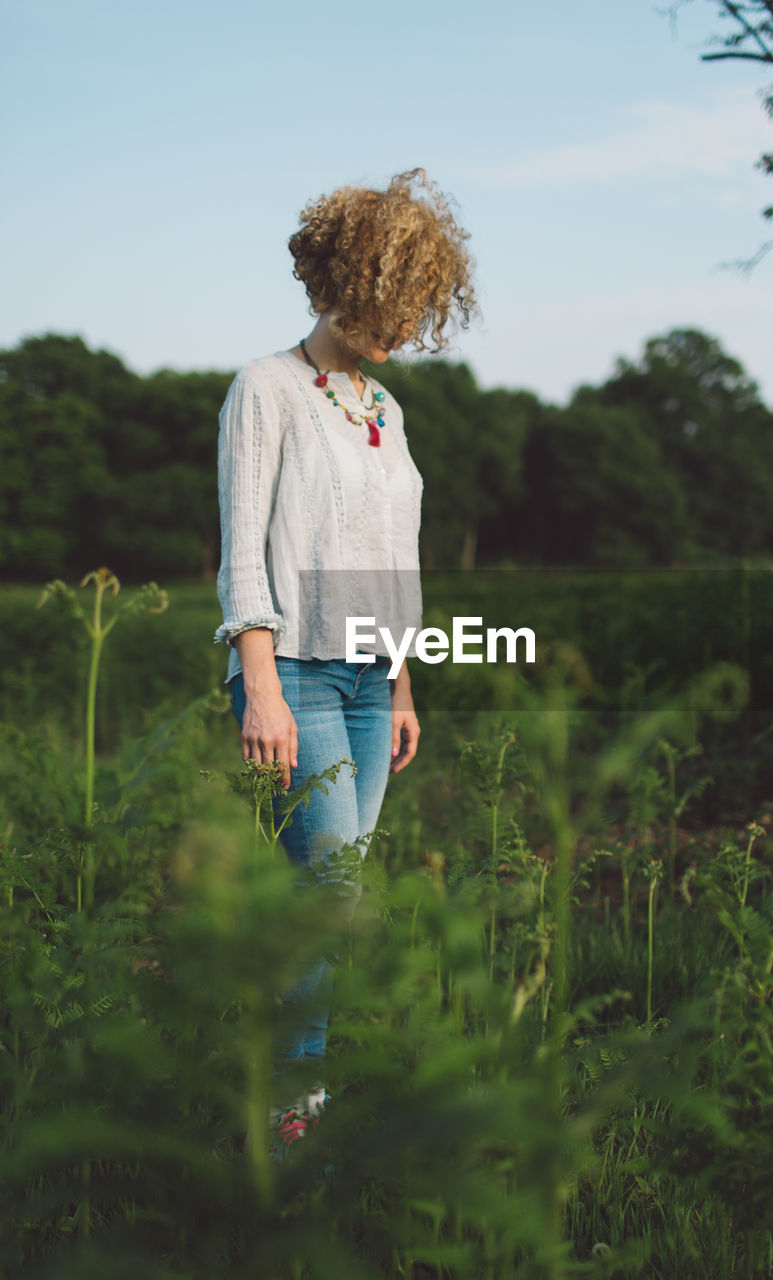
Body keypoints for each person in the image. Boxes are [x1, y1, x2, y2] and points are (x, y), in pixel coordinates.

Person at [214, 168, 476, 1155]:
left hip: (372, 680)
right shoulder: (266, 389)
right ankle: (288, 1114)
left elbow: (393, 560)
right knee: (328, 891)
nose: (405, 327)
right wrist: (263, 687)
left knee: (333, 893)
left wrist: (403, 686)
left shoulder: (385, 408)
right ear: (343, 280)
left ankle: (278, 1087)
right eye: (391, 304)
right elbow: (244, 550)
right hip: (300, 676)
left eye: (419, 308)